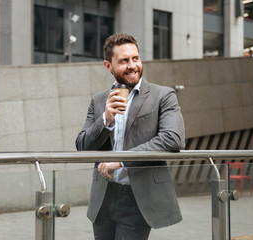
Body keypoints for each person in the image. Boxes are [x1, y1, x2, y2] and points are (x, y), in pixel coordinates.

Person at [75, 33, 185, 240]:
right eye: (124, 61)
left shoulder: (163, 95)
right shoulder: (99, 101)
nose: (132, 65)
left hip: (139, 198)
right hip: (103, 198)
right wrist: (105, 120)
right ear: (108, 66)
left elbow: (172, 138)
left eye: (135, 58)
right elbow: (82, 146)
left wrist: (121, 160)